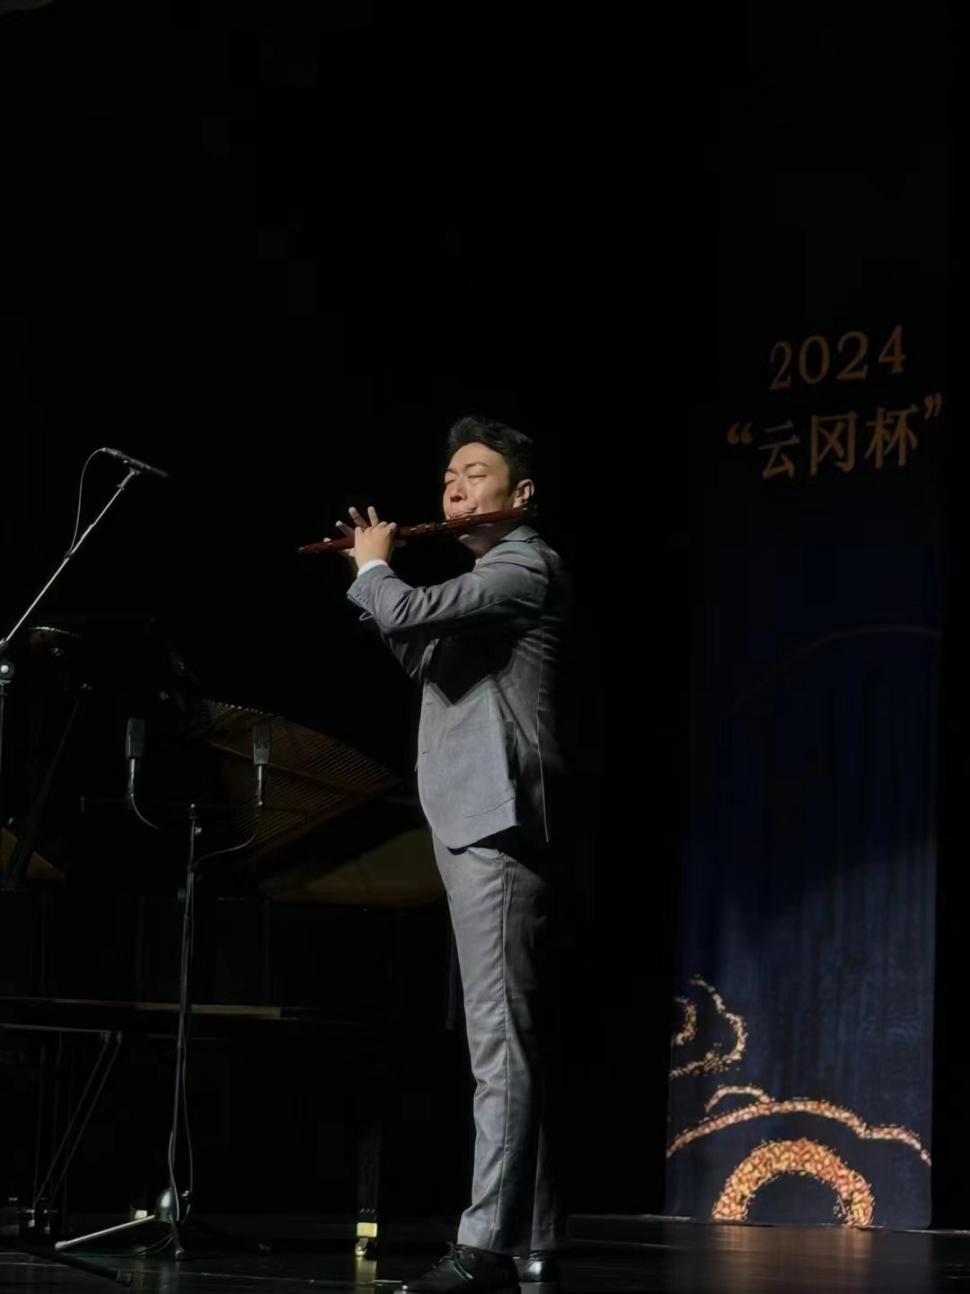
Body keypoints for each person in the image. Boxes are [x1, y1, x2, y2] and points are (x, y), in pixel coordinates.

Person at [333, 416, 570, 1293]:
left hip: (495, 820)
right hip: (470, 814)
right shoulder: (485, 583)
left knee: (499, 1044)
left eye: (475, 473)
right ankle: (530, 1236)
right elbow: (419, 649)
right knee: (510, 1038)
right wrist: (376, 582)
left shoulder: (523, 565)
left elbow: (405, 610)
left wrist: (373, 569)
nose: (455, 488)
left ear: (521, 494)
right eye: (447, 478)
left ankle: (484, 1249)